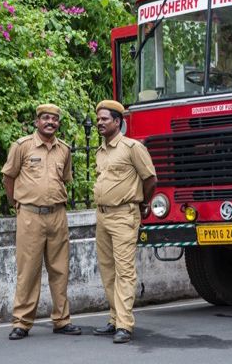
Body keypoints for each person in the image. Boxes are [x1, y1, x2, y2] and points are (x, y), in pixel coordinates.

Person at [1, 103, 82, 340]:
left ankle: (62, 320)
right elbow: (9, 177)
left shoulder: (64, 150)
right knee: (28, 271)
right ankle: (22, 323)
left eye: (54, 119)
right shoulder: (22, 146)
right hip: (29, 216)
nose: (50, 122)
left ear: (58, 123)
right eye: (45, 118)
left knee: (60, 269)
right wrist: (16, 203)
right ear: (37, 122)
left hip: (57, 215)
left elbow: (65, 179)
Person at [92, 100, 157, 344]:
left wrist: (143, 204)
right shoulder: (100, 151)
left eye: (105, 119)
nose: (99, 122)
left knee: (124, 271)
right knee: (107, 270)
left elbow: (150, 179)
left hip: (124, 215)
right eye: (98, 119)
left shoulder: (132, 147)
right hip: (103, 216)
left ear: (117, 122)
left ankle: (125, 324)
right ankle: (114, 318)